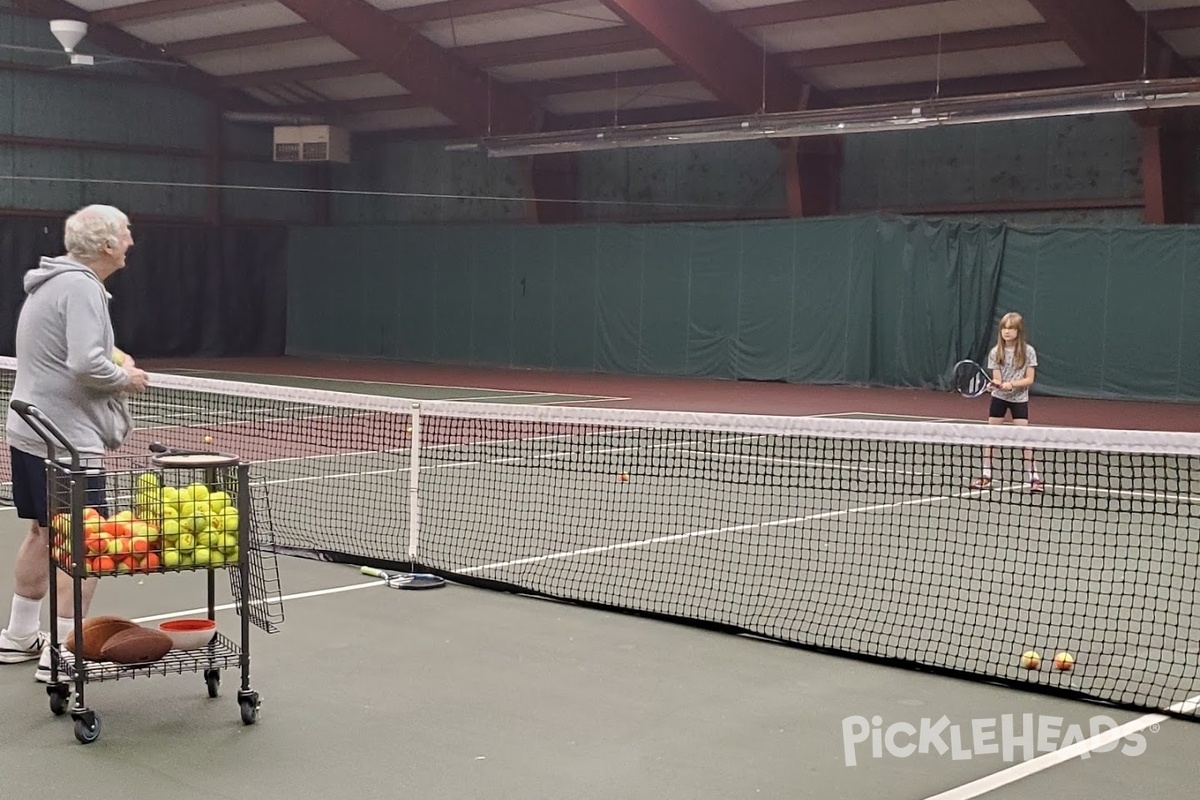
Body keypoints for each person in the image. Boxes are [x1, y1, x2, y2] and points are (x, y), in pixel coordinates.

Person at [0, 204, 148, 682]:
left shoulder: (53, 285)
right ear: (107, 244)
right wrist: (125, 378)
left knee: (43, 533)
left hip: (30, 432)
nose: (131, 241)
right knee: (84, 545)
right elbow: (86, 365)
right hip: (63, 440)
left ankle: (20, 636)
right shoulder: (82, 288)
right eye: (126, 233)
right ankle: (65, 653)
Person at [970, 311, 1043, 492]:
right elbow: (997, 379)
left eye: (1011, 328)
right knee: (991, 437)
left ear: (1019, 331)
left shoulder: (1028, 351)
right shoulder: (995, 352)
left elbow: (1029, 379)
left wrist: (1011, 384)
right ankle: (986, 474)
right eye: (1004, 328)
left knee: (1025, 438)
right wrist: (996, 385)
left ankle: (1034, 477)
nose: (1007, 331)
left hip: (1019, 400)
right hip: (999, 399)